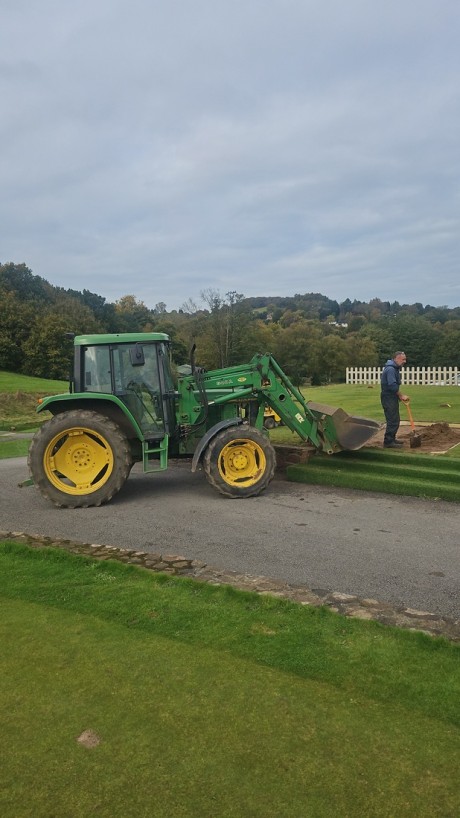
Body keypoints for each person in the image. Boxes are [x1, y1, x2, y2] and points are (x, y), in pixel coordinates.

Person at [380, 351, 409, 448]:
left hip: (391, 396)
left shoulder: (395, 368)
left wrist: (398, 397)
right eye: (403, 359)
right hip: (388, 397)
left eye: (405, 359)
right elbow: (392, 386)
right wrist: (401, 396)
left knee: (395, 419)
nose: (405, 361)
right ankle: (388, 442)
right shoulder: (391, 369)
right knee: (392, 420)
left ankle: (392, 439)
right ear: (396, 358)